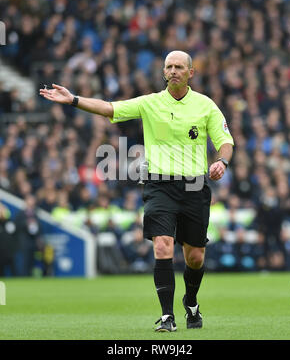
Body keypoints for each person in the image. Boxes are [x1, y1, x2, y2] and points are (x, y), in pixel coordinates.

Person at [40, 50, 234, 332]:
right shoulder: (150, 103)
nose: (173, 71)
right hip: (159, 185)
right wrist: (74, 100)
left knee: (195, 257)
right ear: (163, 71)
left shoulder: (206, 106)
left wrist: (222, 161)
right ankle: (167, 317)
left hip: (194, 187)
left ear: (191, 72)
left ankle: (191, 302)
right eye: (169, 66)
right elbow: (110, 108)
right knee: (163, 244)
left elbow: (225, 140)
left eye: (179, 67)